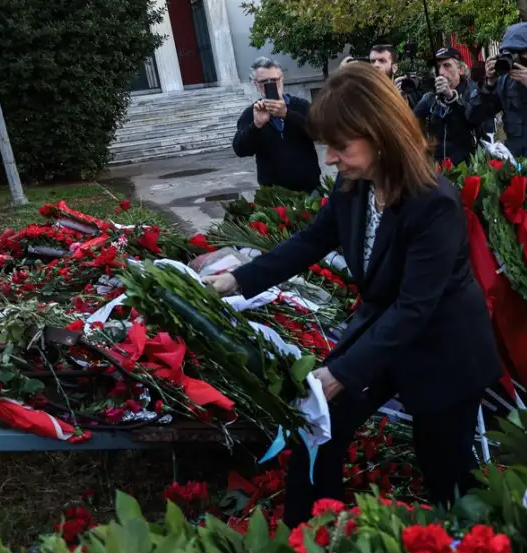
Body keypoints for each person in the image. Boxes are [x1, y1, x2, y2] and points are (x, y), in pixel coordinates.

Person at [206, 63, 502, 526]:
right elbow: (311, 240)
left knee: (445, 475)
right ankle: (314, 532)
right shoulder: (354, 187)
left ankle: (467, 549)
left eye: (340, 147)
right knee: (319, 426)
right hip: (382, 332)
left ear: (379, 135)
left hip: (442, 350)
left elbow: (415, 308)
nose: (329, 160)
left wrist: (342, 371)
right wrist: (236, 281)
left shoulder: (433, 204)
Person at [467, 22, 527, 158]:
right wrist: (488, 84)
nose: (515, 59)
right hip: (519, 162)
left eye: (520, 52)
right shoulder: (505, 81)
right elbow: (474, 116)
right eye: (509, 53)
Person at [232, 57, 321, 194]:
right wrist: (256, 126)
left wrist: (287, 115)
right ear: (256, 84)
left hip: (309, 187)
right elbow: (240, 149)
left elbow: (319, 133)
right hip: (273, 193)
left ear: (282, 78)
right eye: (263, 82)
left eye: (274, 80)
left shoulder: (300, 106)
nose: (270, 85)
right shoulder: (251, 113)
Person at [413, 48, 478, 165]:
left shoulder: (473, 92)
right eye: (438, 67)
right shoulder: (430, 98)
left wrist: (452, 98)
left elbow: (474, 119)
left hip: (467, 167)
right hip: (437, 166)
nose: (441, 72)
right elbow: (409, 121)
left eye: (447, 66)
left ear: (460, 70)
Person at [341, 44, 421, 108]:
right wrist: (342, 75)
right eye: (373, 61)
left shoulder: (404, 88)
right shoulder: (364, 92)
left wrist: (400, 97)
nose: (376, 65)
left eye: (382, 61)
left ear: (394, 67)